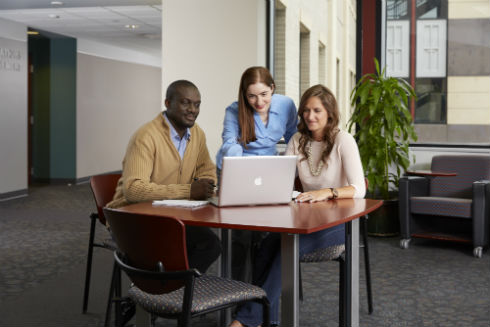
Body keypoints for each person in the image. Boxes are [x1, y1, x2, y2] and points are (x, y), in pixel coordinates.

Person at [229, 84, 365, 327]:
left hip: (339, 223)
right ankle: (268, 320)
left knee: (285, 248)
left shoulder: (344, 141)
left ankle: (246, 321)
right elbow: (282, 179)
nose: (309, 116)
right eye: (305, 111)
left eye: (317, 111)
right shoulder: (297, 140)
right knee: (266, 245)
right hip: (306, 219)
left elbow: (359, 189)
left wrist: (327, 193)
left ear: (329, 114)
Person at [107, 80, 221, 274]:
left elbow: (207, 170)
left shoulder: (197, 134)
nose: (192, 109)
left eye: (197, 104)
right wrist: (188, 190)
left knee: (210, 244)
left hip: (172, 215)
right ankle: (164, 294)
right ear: (168, 103)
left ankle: (171, 293)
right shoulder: (146, 136)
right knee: (170, 251)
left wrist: (205, 185)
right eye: (186, 103)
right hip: (131, 217)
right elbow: (134, 190)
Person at [215, 66, 298, 282]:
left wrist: (294, 166)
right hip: (237, 166)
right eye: (251, 96)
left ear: (272, 88)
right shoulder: (233, 111)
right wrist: (242, 172)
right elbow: (231, 143)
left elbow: (293, 136)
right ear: (244, 94)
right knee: (241, 234)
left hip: (267, 168)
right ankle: (236, 289)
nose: (259, 102)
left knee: (265, 230)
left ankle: (259, 289)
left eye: (264, 95)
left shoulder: (286, 105)